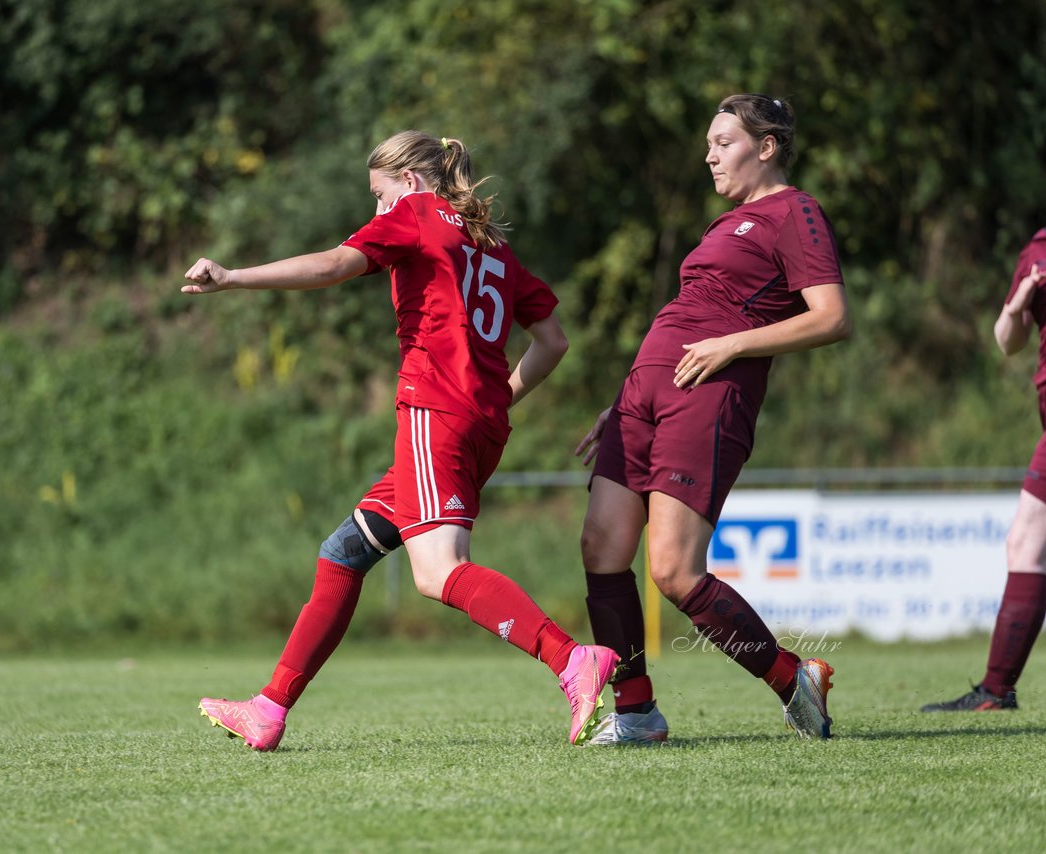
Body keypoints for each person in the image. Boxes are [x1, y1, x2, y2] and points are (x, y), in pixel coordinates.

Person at [182, 130, 620, 751]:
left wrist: (233, 277)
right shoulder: (489, 243)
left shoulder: (415, 214)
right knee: (342, 555)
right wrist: (494, 398)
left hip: (434, 415)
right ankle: (268, 708)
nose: (377, 213)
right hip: (476, 424)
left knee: (439, 573)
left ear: (410, 184)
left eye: (378, 197)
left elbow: (336, 264)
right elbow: (553, 341)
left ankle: (571, 659)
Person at [574, 94, 851, 744]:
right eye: (708, 141)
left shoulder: (795, 211)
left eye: (723, 141)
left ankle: (793, 677)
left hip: (708, 394)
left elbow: (832, 316)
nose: (708, 154)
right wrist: (624, 396)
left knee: (673, 570)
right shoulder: (725, 224)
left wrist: (733, 346)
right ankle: (638, 711)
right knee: (601, 546)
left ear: (767, 146)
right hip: (644, 396)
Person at [922, 140, 1046, 713]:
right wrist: (1016, 309)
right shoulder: (1041, 249)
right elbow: (1006, 342)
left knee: (1026, 542)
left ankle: (995, 689)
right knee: (1029, 544)